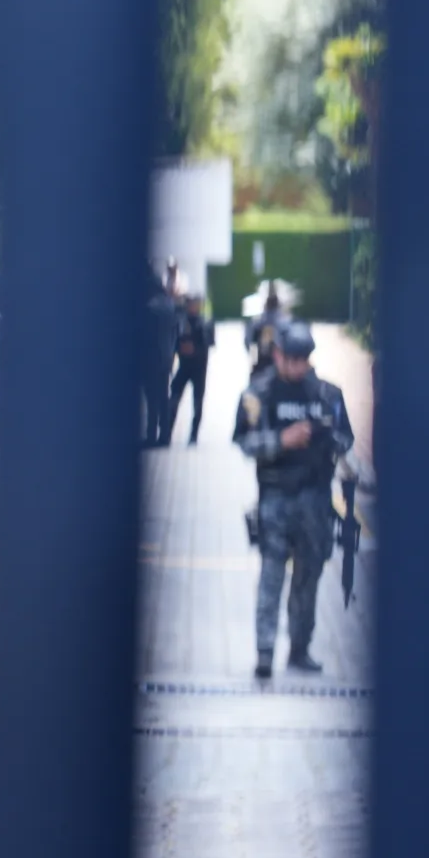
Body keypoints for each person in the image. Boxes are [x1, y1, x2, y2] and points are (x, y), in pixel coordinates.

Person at [234, 320, 353, 679]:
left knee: (309, 576)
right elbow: (243, 441)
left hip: (315, 501)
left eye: (305, 358)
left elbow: (346, 439)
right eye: (293, 358)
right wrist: (281, 441)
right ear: (278, 355)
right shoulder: (258, 394)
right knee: (271, 575)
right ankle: (265, 653)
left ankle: (300, 648)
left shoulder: (327, 395)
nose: (299, 366)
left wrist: (323, 436)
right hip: (275, 498)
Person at [164, 292, 214, 445]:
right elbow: (174, 344)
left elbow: (209, 343)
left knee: (197, 403)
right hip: (184, 367)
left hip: (199, 369)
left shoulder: (204, 322)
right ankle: (166, 434)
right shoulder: (181, 321)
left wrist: (195, 349)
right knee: (174, 399)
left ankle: (193, 436)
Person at [143, 271, 180, 448]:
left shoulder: (149, 307)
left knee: (151, 399)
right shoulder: (170, 306)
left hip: (150, 358)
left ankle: (151, 435)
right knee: (163, 397)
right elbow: (176, 333)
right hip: (166, 357)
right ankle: (165, 435)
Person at [248, 285, 288, 381]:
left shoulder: (258, 321)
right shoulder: (284, 321)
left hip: (262, 363)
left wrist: (253, 363)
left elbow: (250, 343)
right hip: (280, 364)